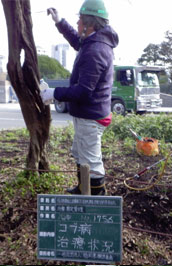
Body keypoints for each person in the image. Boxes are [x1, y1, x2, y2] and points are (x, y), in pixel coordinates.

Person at [41, 0, 119, 195]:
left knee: (91, 162)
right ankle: (83, 188)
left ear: (89, 23)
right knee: (80, 153)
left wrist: (53, 93)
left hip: (90, 115)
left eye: (80, 20)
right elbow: (77, 41)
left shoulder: (95, 50)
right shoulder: (95, 41)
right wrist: (60, 22)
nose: (77, 24)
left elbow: (84, 91)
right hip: (89, 112)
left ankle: (95, 200)